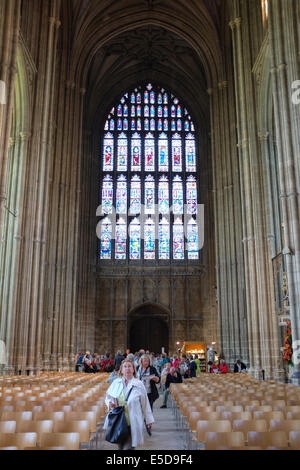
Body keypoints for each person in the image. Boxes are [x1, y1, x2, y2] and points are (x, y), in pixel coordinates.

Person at [104, 359, 154, 450]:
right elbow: (108, 398)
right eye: (125, 366)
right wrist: (109, 403)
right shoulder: (116, 383)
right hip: (119, 421)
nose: (127, 368)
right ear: (121, 370)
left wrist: (148, 420)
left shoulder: (139, 384)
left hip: (132, 421)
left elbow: (145, 403)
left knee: (128, 448)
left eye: (130, 366)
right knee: (120, 447)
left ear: (133, 369)